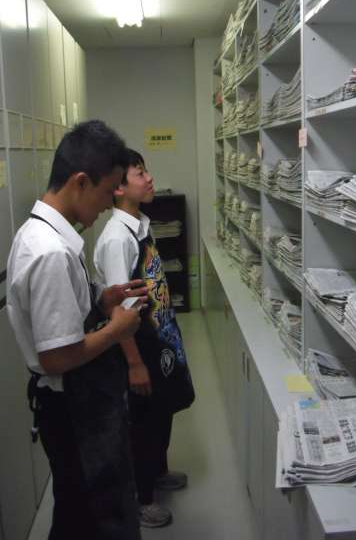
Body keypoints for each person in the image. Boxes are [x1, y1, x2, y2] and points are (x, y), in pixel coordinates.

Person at [6, 120, 149, 540]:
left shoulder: (45, 234)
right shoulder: (50, 252)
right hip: (71, 409)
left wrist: (101, 302)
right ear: (80, 182)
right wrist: (117, 328)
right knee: (90, 516)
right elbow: (57, 356)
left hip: (70, 403)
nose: (108, 205)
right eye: (106, 192)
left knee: (76, 510)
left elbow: (60, 317)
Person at [94, 149, 193, 528]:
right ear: (118, 188)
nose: (149, 178)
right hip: (138, 346)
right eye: (139, 173)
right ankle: (142, 498)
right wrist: (134, 363)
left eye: (146, 170)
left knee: (161, 410)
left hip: (158, 337)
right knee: (142, 422)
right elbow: (121, 312)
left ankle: (157, 472)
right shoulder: (117, 239)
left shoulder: (140, 224)